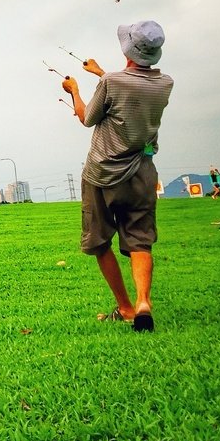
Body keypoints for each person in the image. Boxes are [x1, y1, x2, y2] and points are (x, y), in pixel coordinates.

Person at [61, 20, 174, 333]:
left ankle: (124, 307)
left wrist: (75, 91)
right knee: (140, 241)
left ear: (127, 49)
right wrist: (101, 73)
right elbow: (131, 89)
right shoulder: (165, 84)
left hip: (102, 174)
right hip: (142, 172)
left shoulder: (112, 82)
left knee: (99, 242)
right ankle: (143, 303)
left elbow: (86, 118)